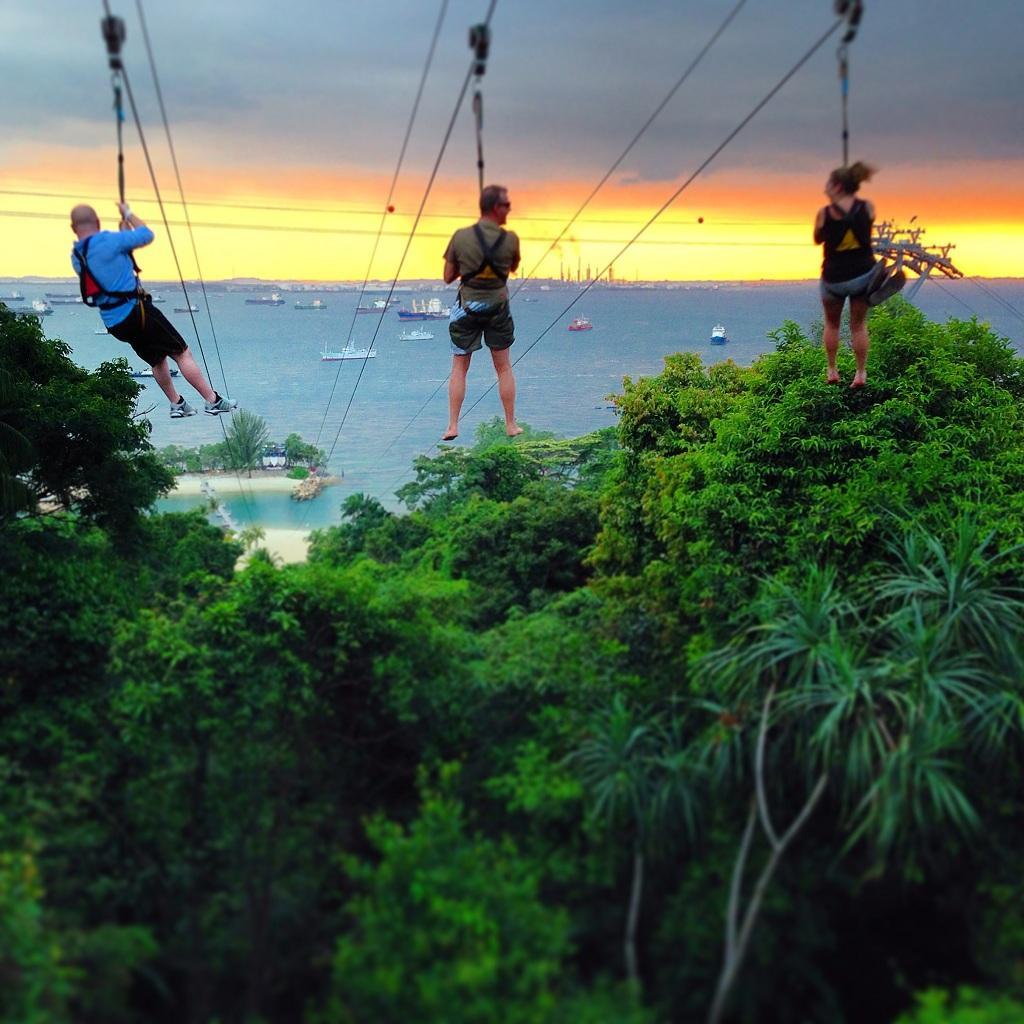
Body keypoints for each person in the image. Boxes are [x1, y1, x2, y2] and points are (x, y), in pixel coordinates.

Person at [70, 201, 236, 418]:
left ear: (74, 228)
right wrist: (127, 214)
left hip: (115, 324)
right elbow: (146, 234)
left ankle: (177, 404)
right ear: (98, 222)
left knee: (157, 359)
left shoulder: (77, 257)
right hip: (137, 312)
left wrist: (123, 243)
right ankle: (212, 400)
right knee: (181, 352)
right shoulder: (110, 241)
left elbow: (107, 271)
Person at [441, 183, 523, 440]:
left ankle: (453, 425)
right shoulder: (510, 239)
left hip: (467, 308)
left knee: (459, 368)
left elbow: (447, 277)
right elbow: (512, 268)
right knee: (503, 367)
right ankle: (510, 424)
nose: (509, 209)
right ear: (495, 208)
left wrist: (468, 267)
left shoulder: (461, 237)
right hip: (497, 307)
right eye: (506, 205)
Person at [814, 161, 878, 388]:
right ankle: (860, 373)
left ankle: (832, 369)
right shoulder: (867, 208)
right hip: (862, 275)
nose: (825, 190)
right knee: (858, 326)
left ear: (838, 187)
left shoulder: (825, 213)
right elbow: (868, 226)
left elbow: (817, 239)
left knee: (832, 324)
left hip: (834, 278)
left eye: (829, 186)